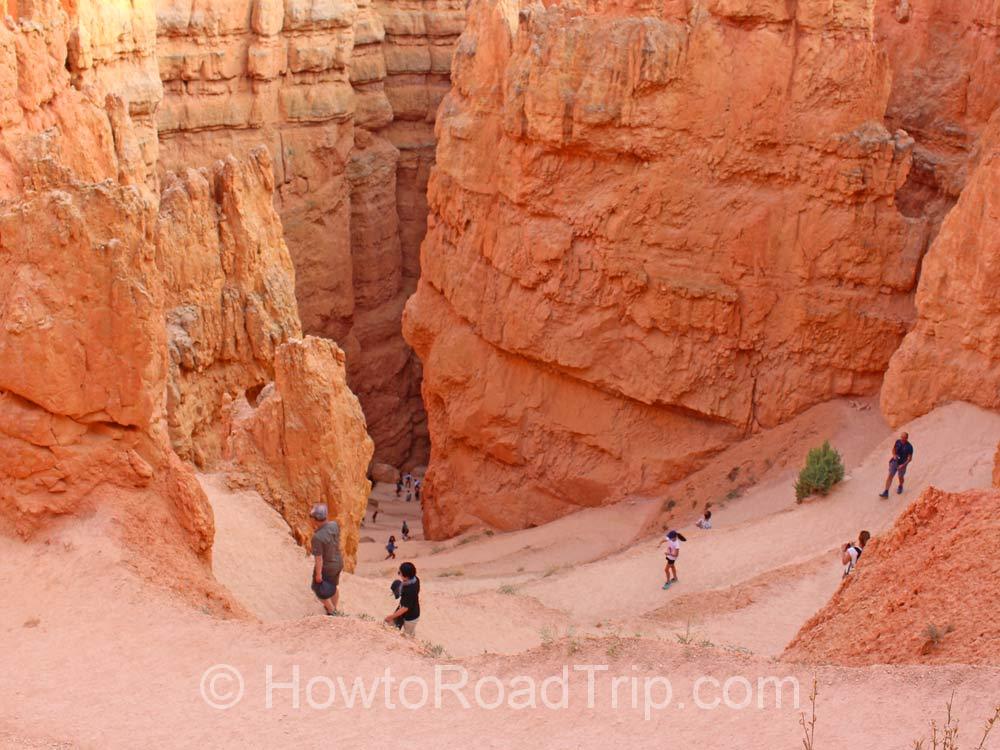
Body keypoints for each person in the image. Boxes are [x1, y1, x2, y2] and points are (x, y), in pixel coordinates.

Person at [309, 504, 343, 616]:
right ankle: (334, 608)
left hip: (327, 566)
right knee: (333, 586)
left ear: (315, 519)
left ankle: (332, 611)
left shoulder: (317, 537)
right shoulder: (334, 525)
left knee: (317, 588)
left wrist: (318, 575)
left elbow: (319, 559)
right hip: (338, 562)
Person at [385, 562, 421, 637]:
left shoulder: (410, 590)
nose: (399, 574)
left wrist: (391, 617)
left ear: (406, 576)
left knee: (407, 636)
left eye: (399, 573)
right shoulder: (415, 579)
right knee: (390, 627)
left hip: (411, 617)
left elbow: (405, 608)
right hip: (403, 610)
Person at [879, 432, 914, 498]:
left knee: (900, 477)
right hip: (895, 462)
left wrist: (903, 465)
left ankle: (900, 485)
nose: (902, 439)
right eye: (901, 437)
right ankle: (886, 492)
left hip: (902, 464)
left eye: (903, 438)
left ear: (907, 438)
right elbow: (893, 449)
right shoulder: (898, 442)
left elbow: (909, 459)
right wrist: (894, 455)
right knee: (890, 475)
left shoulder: (909, 447)